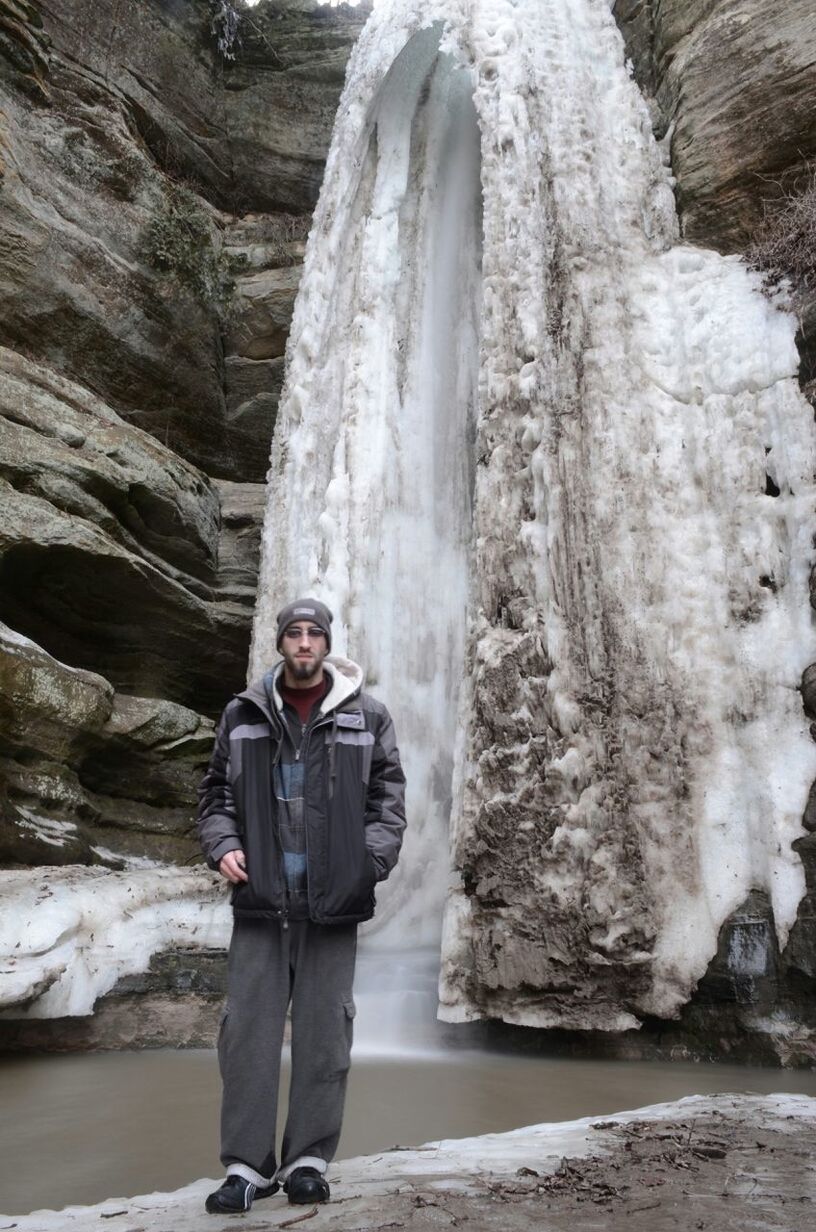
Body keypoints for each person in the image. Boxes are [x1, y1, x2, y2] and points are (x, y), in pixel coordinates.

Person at [197, 597, 406, 1214]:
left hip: (331, 905)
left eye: (315, 633)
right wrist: (224, 845)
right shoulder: (242, 714)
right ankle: (246, 1167)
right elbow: (214, 797)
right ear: (280, 642)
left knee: (324, 1036)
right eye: (295, 633)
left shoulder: (368, 716)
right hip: (262, 902)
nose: (305, 642)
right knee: (247, 1037)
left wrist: (366, 866)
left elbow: (387, 801)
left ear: (327, 643)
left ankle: (309, 1161)